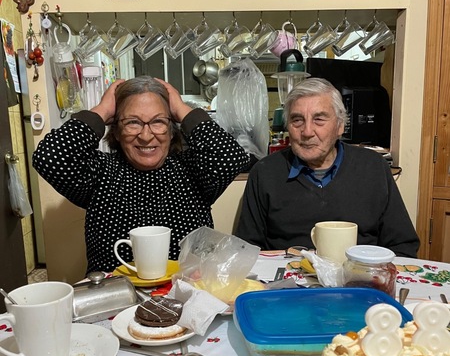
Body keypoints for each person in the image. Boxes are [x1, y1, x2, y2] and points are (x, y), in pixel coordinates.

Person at [33, 76, 249, 274]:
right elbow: (49, 158)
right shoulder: (100, 173)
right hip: (115, 297)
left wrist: (183, 110)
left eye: (158, 122)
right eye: (132, 122)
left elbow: (232, 156)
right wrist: (102, 110)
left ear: (171, 130)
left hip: (186, 296)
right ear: (117, 131)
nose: (146, 136)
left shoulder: (193, 171)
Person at [236, 77, 420, 257]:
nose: (307, 132)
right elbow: (246, 251)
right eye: (297, 120)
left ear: (340, 126)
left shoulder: (373, 167)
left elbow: (403, 246)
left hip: (357, 274)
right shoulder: (265, 172)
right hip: (289, 273)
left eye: (319, 119)